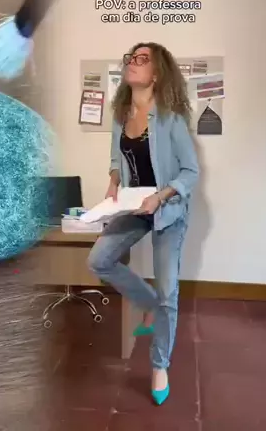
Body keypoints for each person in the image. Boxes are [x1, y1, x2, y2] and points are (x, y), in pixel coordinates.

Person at [87, 42, 199, 406]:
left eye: (142, 59)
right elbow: (115, 159)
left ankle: (159, 364)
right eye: (130, 58)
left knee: (168, 292)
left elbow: (190, 172)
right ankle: (147, 303)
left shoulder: (171, 119)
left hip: (168, 211)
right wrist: (113, 181)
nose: (132, 63)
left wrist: (161, 197)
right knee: (99, 260)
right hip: (134, 206)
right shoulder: (120, 115)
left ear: (156, 73)